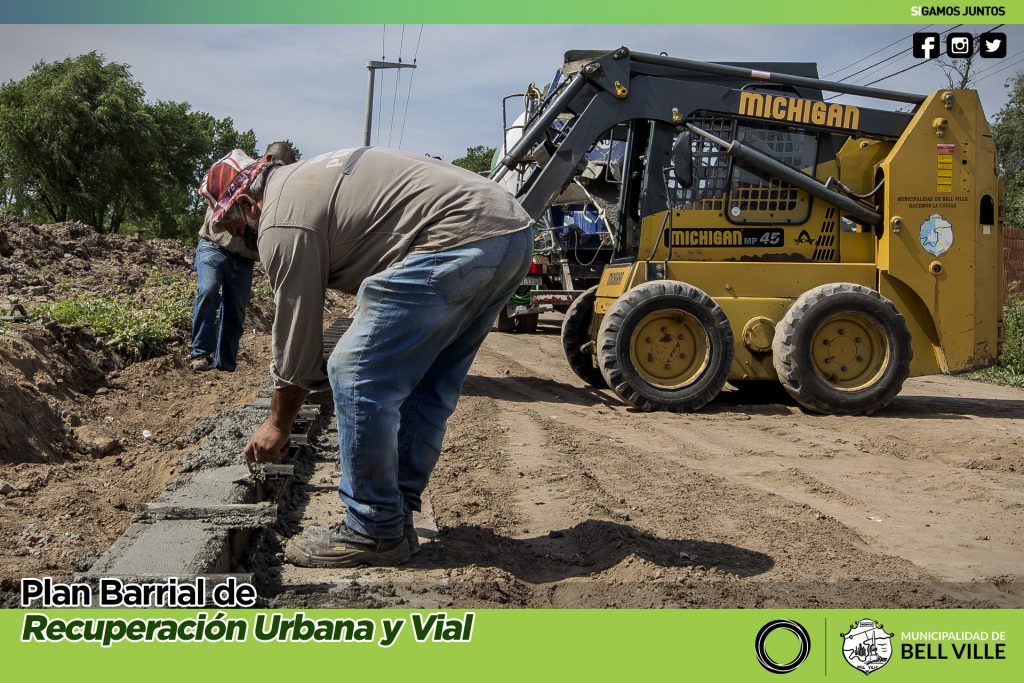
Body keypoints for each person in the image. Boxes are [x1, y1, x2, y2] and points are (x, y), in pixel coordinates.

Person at [203, 147, 533, 567]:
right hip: (511, 231)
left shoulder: (280, 220)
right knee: (429, 379)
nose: (239, 237)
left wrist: (277, 423)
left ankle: (372, 528)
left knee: (354, 372)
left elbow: (295, 333)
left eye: (234, 224)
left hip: (459, 236)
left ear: (249, 203)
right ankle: (395, 514)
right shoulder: (304, 180)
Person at [189, 141, 297, 372]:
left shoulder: (276, 191)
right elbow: (215, 191)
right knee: (208, 290)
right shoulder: (239, 171)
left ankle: (225, 364)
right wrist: (233, 212)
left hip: (245, 257)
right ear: (269, 159)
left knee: (236, 309)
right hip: (214, 245)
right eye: (282, 166)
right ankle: (200, 353)